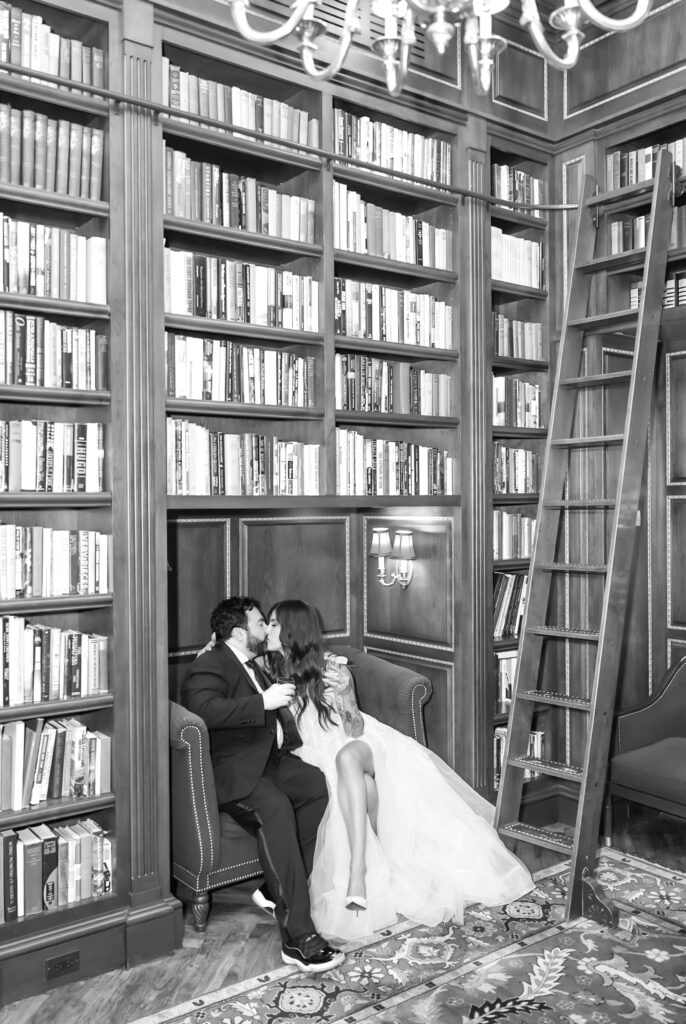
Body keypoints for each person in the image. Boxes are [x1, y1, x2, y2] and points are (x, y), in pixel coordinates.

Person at [264, 599, 535, 942]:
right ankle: (375, 870)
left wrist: (347, 695)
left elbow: (355, 729)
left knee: (347, 760)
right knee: (364, 788)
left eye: (274, 624)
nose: (268, 630)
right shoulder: (269, 669)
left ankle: (357, 873)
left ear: (291, 630)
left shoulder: (330, 669)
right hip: (319, 757)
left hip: (363, 745)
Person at [181, 596, 345, 973]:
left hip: (271, 761)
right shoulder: (211, 664)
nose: (266, 629)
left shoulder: (252, 661)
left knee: (315, 785)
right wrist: (264, 703)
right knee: (275, 808)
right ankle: (299, 938)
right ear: (239, 632)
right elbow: (204, 710)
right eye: (259, 624)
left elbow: (301, 655)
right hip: (237, 773)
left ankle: (275, 890)